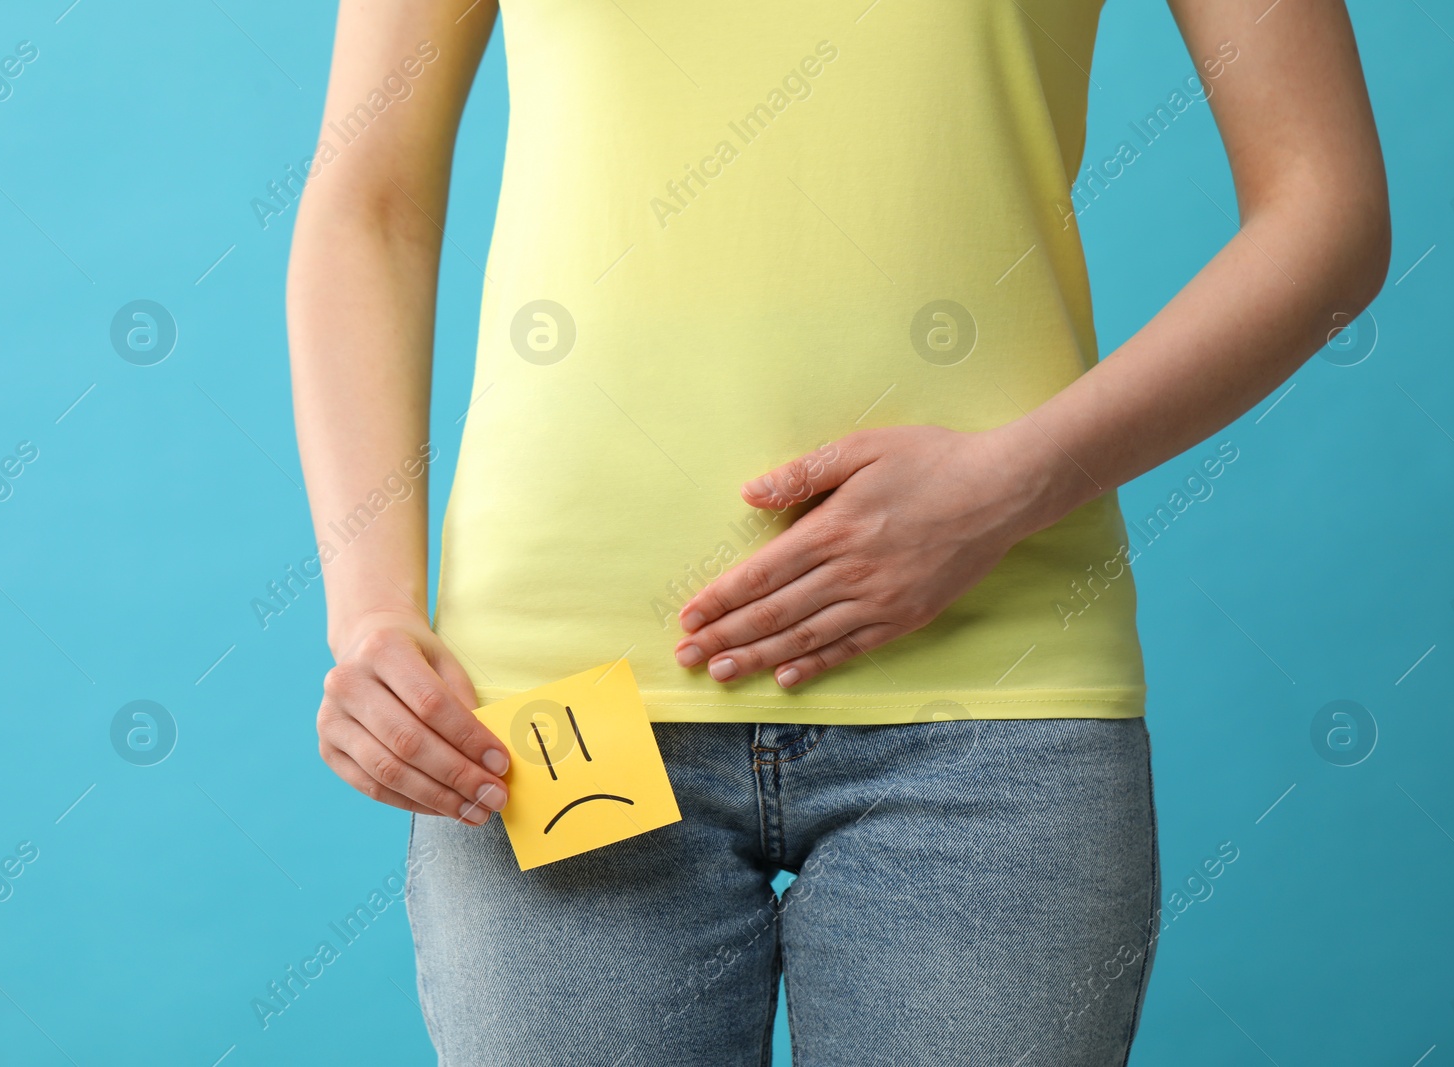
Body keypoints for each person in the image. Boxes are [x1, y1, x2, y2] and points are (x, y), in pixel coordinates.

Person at [287, 0, 1388, 1061]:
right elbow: (366, 205)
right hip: (552, 710)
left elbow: (1327, 208)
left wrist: (1015, 478)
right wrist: (371, 611)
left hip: (994, 697)